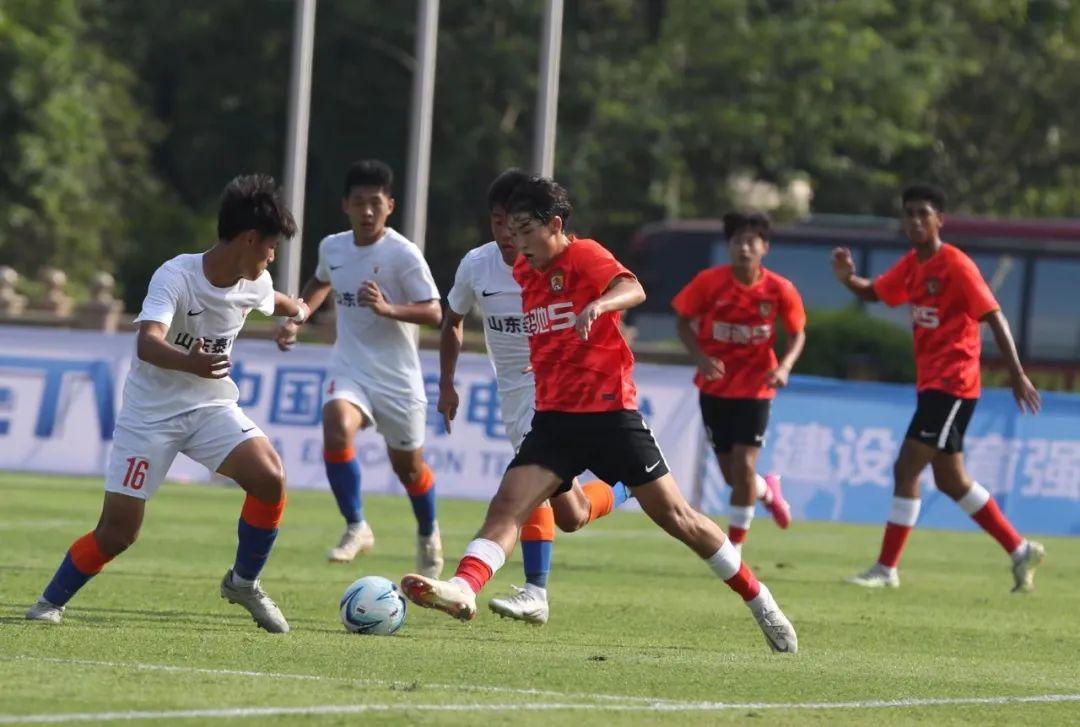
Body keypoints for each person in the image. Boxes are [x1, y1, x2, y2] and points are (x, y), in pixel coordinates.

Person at [402, 176, 797, 653]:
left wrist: (600, 305)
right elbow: (513, 322)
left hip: (610, 416)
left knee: (680, 519)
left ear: (555, 225)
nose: (517, 243)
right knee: (509, 507)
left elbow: (633, 288)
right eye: (510, 230)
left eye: (526, 231)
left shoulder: (585, 255)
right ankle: (463, 587)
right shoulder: (525, 270)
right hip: (554, 420)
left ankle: (760, 600)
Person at [26, 174, 308, 632]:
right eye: (271, 246)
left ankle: (243, 583)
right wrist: (190, 362)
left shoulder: (254, 281)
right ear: (249, 238)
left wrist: (298, 314)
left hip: (210, 408)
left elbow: (279, 302)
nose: (273, 256)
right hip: (150, 417)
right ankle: (48, 602)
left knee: (269, 478)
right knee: (118, 533)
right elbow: (148, 343)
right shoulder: (175, 276)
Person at [438, 169, 631, 625]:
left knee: (523, 494)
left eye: (517, 224)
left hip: (553, 389)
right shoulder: (477, 265)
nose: (507, 234)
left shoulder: (557, 262)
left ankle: (534, 591)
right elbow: (452, 320)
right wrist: (447, 383)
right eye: (498, 222)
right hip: (512, 391)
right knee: (573, 514)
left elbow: (609, 299)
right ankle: (627, 486)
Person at [831, 183, 1045, 592]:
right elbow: (876, 292)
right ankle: (1020, 550)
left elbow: (993, 315)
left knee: (906, 467)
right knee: (950, 480)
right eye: (908, 213)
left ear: (939, 220)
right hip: (933, 384)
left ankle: (886, 569)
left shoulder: (956, 265)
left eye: (922, 214)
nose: (914, 221)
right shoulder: (913, 265)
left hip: (954, 383)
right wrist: (848, 279)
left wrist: (1017, 374)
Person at [275, 160, 444, 576]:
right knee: (335, 424)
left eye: (375, 203)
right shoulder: (333, 247)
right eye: (359, 202)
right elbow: (321, 282)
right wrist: (298, 317)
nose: (367, 211)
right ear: (345, 205)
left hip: (397, 378)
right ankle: (356, 525)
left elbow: (435, 312)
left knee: (409, 469)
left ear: (390, 206)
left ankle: (428, 531)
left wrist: (388, 309)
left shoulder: (403, 254)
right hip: (349, 366)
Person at [672, 211, 804, 551]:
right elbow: (683, 321)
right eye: (737, 241)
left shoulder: (780, 289)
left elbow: (797, 333)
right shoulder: (709, 282)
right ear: (728, 246)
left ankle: (735, 548)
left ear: (764, 247)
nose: (744, 248)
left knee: (744, 465)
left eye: (751, 242)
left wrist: (785, 367)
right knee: (734, 477)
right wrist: (701, 358)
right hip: (715, 388)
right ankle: (767, 490)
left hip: (757, 388)